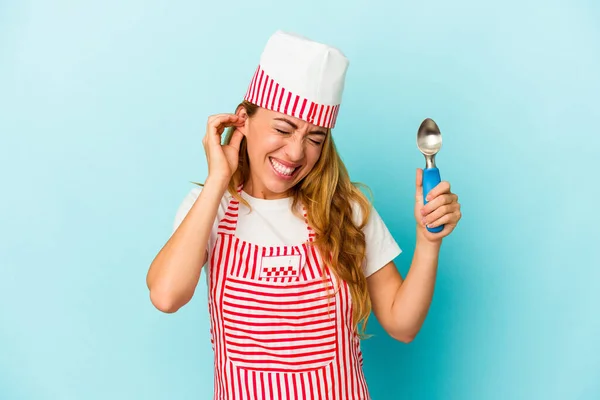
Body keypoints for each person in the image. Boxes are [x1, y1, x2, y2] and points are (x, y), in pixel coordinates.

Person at [146, 30, 461, 400]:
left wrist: (428, 241)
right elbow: (166, 296)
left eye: (315, 138)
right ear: (242, 121)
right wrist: (219, 178)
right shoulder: (209, 207)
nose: (295, 153)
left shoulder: (348, 208)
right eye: (282, 129)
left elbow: (402, 324)